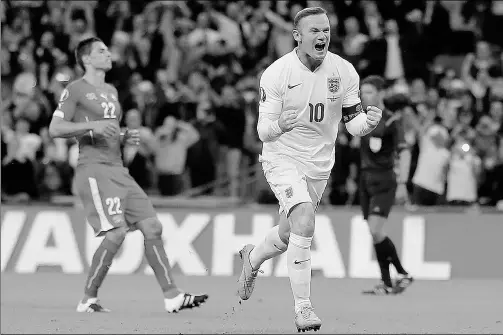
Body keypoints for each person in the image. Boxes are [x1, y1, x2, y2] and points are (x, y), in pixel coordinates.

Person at [236, 7, 383, 332]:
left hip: (319, 163)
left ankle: (252, 258)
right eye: (314, 30)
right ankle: (303, 309)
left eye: (326, 30)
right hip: (282, 156)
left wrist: (367, 124)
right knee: (304, 219)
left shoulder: (344, 72)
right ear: (298, 36)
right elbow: (262, 132)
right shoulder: (277, 73)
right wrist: (278, 125)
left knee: (289, 233)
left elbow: (352, 122)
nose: (322, 36)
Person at [48, 37, 208, 313]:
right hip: (94, 169)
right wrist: (93, 127)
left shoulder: (111, 90)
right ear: (86, 59)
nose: (108, 53)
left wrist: (123, 135)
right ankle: (88, 299)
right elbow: (56, 128)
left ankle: (172, 296)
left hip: (118, 169)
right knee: (117, 232)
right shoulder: (75, 89)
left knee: (153, 227)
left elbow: (106, 130)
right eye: (101, 51)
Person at [357, 75, 414, 295]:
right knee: (375, 232)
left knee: (375, 229)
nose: (364, 96)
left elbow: (405, 151)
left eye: (369, 92)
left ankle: (402, 273)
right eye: (363, 92)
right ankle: (388, 283)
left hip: (384, 180)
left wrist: (402, 183)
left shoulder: (391, 121)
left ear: (381, 94)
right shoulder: (359, 119)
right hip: (365, 181)